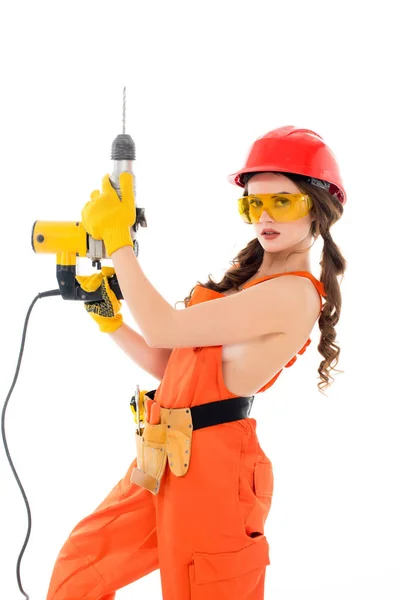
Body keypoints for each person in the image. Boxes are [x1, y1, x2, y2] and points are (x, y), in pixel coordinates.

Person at [46, 125, 347, 600]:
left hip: (214, 474)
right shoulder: (244, 280)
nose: (263, 215)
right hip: (161, 458)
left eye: (282, 202)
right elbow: (174, 367)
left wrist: (117, 241)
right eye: (252, 203)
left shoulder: (294, 294)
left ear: (321, 206)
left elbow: (165, 325)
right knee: (80, 570)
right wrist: (110, 321)